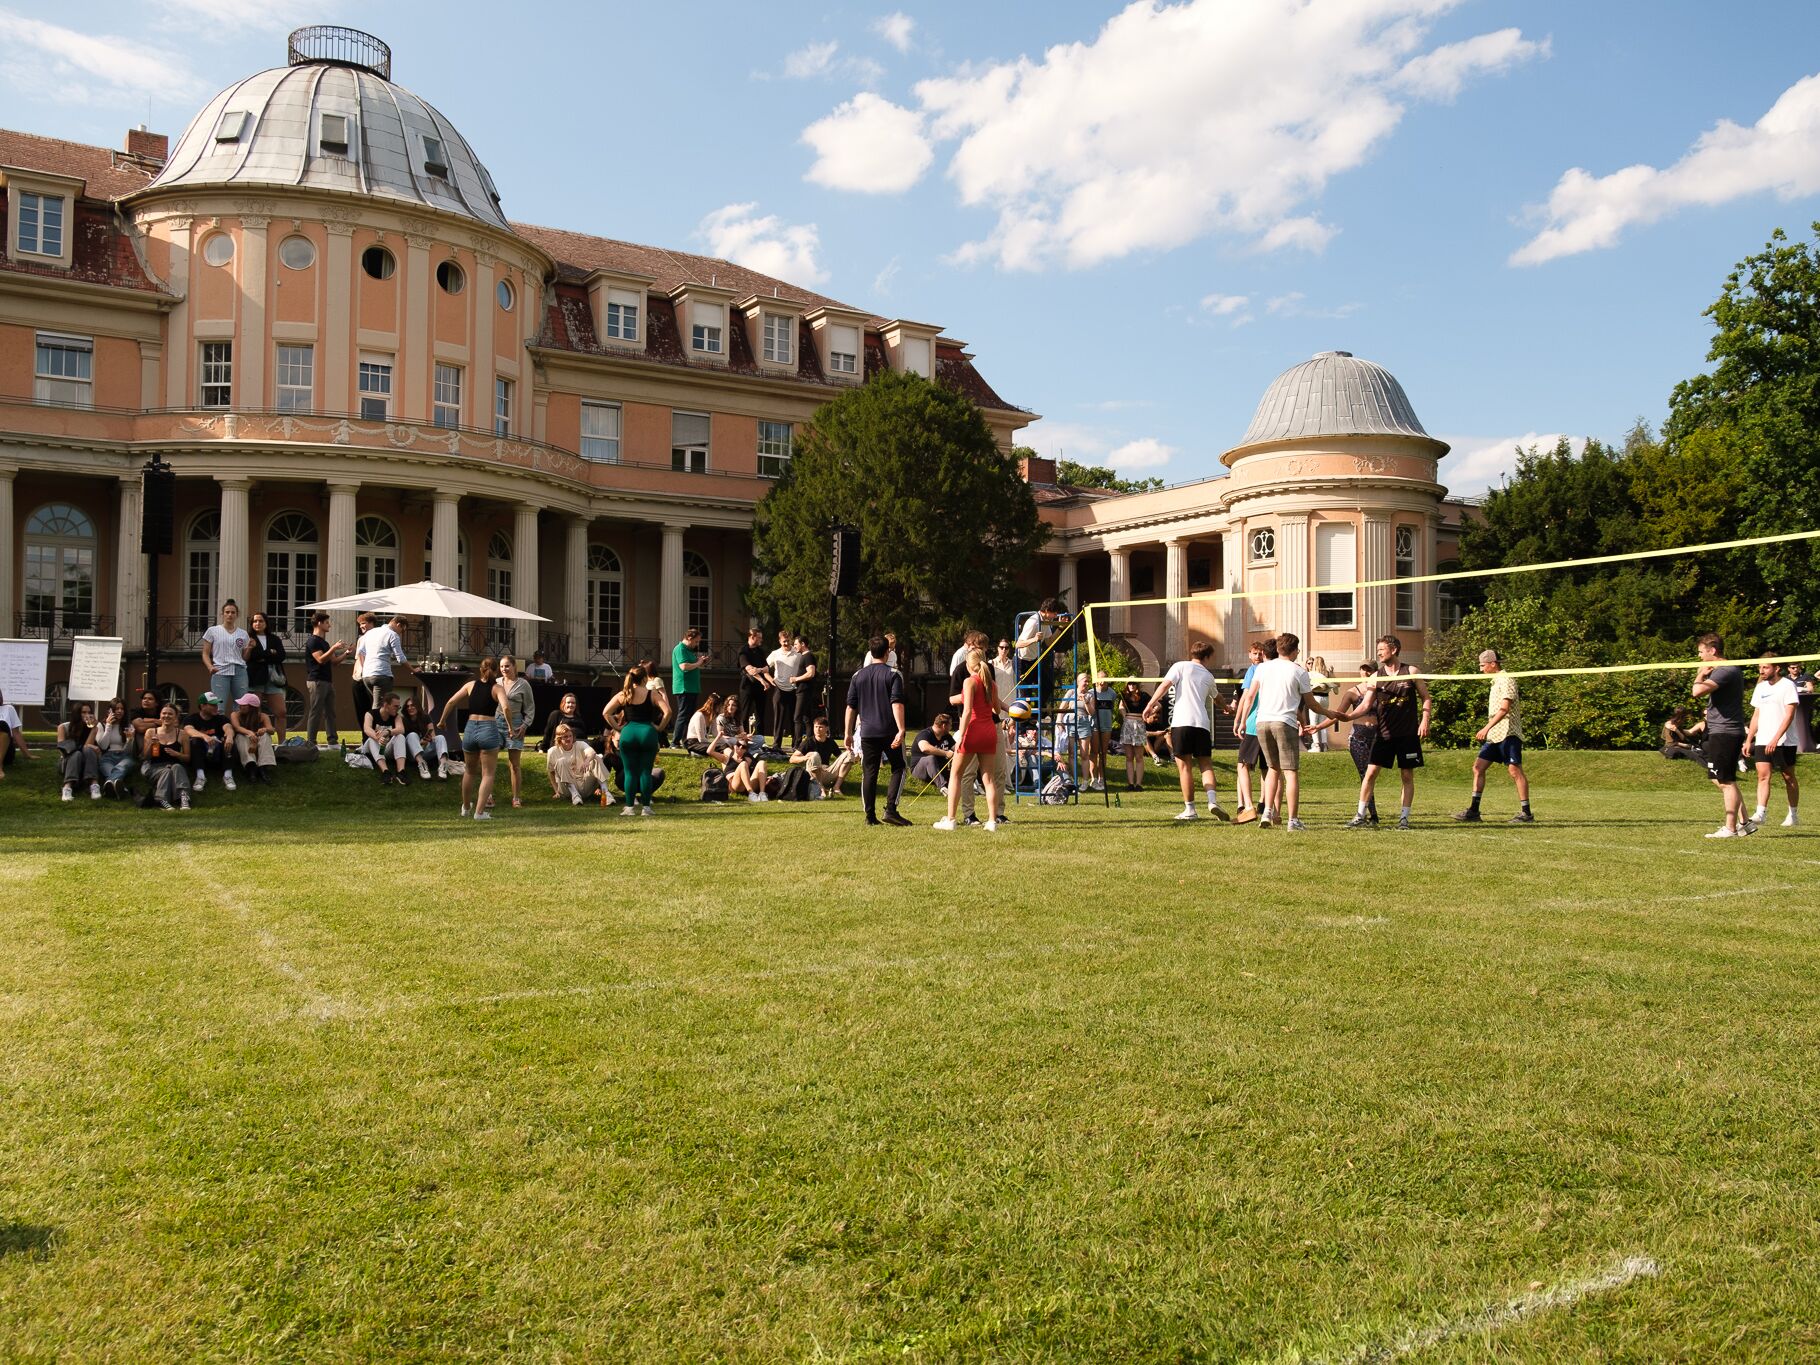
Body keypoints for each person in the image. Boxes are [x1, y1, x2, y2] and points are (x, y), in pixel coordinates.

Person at [1338, 634, 1432, 831]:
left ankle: (1404, 819)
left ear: (1394, 649)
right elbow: (1366, 704)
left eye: (1382, 649)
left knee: (1407, 775)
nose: (1379, 653)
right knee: (1370, 773)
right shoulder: (1376, 677)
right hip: (1384, 735)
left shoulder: (1411, 671)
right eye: (1378, 650)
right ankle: (1360, 816)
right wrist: (1348, 716)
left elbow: (1426, 697)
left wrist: (1425, 720)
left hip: (1407, 735)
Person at [1248, 632, 1334, 830]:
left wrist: (1241, 719)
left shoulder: (1263, 668)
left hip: (1262, 722)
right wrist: (1330, 713)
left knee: (1272, 768)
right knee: (1290, 772)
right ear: (1295, 650)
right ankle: (1293, 820)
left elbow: (1251, 695)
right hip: (1284, 722)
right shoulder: (1299, 672)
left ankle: (1267, 812)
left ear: (1278, 649)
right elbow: (1311, 704)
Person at [1143, 640, 1231, 822]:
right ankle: (1212, 801)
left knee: (1185, 768)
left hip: (1182, 723)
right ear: (1207, 656)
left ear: (1192, 653)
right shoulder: (1208, 675)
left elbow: (1165, 685)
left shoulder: (1180, 666)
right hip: (1202, 724)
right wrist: (1228, 708)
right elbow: (1218, 698)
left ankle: (1190, 809)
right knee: (1206, 765)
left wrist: (1150, 704)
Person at [1454, 649, 1532, 824]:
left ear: (1493, 663)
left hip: (1508, 733)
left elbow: (1504, 709)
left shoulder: (1506, 679)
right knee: (1478, 767)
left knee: (1514, 770)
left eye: (1483, 665)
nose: (1481, 669)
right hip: (1495, 735)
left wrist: (1486, 728)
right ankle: (1474, 811)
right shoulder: (1495, 681)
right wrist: (1490, 730)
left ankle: (1526, 813)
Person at [844, 635, 910, 826]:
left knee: (869, 772)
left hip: (867, 732)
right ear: (888, 652)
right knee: (899, 767)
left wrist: (848, 733)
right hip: (889, 731)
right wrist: (901, 729)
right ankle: (891, 809)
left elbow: (850, 707)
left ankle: (869, 816)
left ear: (870, 652)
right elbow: (896, 703)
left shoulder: (858, 676)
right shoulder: (894, 674)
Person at [934, 648, 1004, 831]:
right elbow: (997, 710)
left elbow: (966, 712)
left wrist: (961, 735)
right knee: (988, 778)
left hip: (973, 731)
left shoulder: (969, 681)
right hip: (989, 731)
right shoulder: (991, 684)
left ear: (968, 664)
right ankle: (992, 821)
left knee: (956, 774)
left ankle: (950, 819)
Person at [1691, 633, 1751, 838]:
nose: (1699, 656)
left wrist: (1700, 675)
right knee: (1720, 778)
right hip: (1720, 730)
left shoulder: (1725, 670)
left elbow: (1697, 691)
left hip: (1725, 731)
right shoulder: (1724, 670)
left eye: (1701, 652)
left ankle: (1731, 828)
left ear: (1712, 650)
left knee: (1725, 780)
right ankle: (1745, 822)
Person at [1308, 663, 1382, 824]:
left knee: (1372, 775)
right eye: (1363, 669)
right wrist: (1318, 726)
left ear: (1376, 672)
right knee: (1365, 775)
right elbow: (1338, 714)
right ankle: (1372, 815)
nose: (1366, 672)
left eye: (1369, 670)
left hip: (1379, 736)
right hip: (1359, 737)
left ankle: (1370, 815)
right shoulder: (1352, 692)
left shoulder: (1381, 690)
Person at [439, 656, 506, 821]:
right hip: (488, 729)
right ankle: (479, 812)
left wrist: (442, 721)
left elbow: (451, 702)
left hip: (470, 729)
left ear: (481, 670)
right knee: (488, 774)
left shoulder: (470, 685)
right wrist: (511, 727)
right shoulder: (497, 688)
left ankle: (466, 808)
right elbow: (506, 708)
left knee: (469, 771)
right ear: (496, 672)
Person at [604, 664, 671, 816]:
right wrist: (659, 727)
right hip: (647, 732)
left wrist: (618, 727)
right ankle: (646, 808)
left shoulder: (624, 694)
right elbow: (668, 711)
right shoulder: (652, 694)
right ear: (645, 678)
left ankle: (629, 808)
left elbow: (606, 712)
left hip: (628, 733)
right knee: (645, 772)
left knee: (630, 773)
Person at [1744, 653, 1800, 828]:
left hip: (1784, 741)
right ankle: (1760, 813)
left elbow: (1789, 716)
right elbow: (1756, 715)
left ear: (1776, 668)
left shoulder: (1788, 686)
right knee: (1762, 776)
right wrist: (1748, 739)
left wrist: (1776, 739)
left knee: (1788, 776)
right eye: (1760, 667)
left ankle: (1793, 814)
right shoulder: (1760, 688)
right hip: (1763, 739)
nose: (1761, 671)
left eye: (1765, 667)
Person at [1231, 639, 1272, 824]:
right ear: (1250, 654)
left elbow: (1247, 697)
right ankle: (1266, 806)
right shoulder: (1273, 670)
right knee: (1268, 768)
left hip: (1254, 724)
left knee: (1243, 765)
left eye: (1260, 653)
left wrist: (1239, 720)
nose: (1258, 656)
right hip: (1270, 722)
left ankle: (1248, 806)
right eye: (1255, 653)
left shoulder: (1255, 670)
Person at [303, 612, 349, 747]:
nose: (330, 625)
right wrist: (334, 647)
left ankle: (332, 741)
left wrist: (346, 653)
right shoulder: (313, 641)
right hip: (316, 680)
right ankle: (311, 742)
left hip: (327, 681)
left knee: (330, 712)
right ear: (319, 623)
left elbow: (334, 662)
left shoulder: (325, 643)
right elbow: (320, 660)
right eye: (327, 622)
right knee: (316, 711)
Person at [497, 654, 536, 808]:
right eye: (501, 666)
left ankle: (516, 798)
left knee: (514, 764)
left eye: (507, 666)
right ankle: (488, 796)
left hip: (516, 724)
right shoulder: (496, 682)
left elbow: (530, 708)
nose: (504, 669)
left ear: (514, 667)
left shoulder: (523, 684)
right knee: (489, 761)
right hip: (496, 722)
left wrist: (525, 725)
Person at [138, 702, 192, 811]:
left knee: (177, 767)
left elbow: (187, 758)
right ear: (160, 715)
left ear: (176, 717)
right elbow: (145, 757)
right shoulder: (151, 732)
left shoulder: (182, 734)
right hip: (154, 766)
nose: (166, 716)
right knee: (166, 771)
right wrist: (151, 744)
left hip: (174, 766)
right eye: (164, 713)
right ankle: (161, 800)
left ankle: (184, 798)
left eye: (170, 714)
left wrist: (177, 754)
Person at [244, 610, 289, 740]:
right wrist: (270, 652)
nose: (258, 623)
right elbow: (251, 657)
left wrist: (263, 656)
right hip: (255, 677)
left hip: (273, 678)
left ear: (266, 623)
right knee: (255, 712)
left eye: (261, 621)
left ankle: (282, 744)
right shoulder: (248, 638)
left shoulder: (274, 638)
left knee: (281, 712)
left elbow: (281, 656)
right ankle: (256, 741)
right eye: (255, 621)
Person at [547, 722, 613, 805]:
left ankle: (605, 793)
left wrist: (587, 761)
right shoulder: (552, 751)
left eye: (570, 736)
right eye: (565, 737)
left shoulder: (580, 744)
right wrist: (556, 791)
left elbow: (592, 752)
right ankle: (575, 795)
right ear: (559, 738)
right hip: (567, 789)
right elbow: (551, 772)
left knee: (595, 758)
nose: (569, 738)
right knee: (561, 761)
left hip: (584, 783)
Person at [200, 599, 250, 704]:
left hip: (239, 671)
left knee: (241, 705)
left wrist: (250, 648)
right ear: (222, 614)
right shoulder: (213, 631)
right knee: (219, 705)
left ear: (237, 615)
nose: (230, 615)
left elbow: (244, 657)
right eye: (227, 612)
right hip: (220, 670)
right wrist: (210, 667)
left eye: (233, 612)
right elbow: (205, 653)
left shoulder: (243, 633)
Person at [183, 692, 234, 794]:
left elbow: (228, 728)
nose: (216, 707)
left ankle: (228, 775)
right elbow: (189, 730)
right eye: (213, 705)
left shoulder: (221, 718)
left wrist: (229, 736)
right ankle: (200, 776)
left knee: (229, 741)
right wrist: (205, 736)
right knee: (195, 740)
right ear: (202, 706)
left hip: (219, 754)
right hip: (201, 754)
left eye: (216, 704)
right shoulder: (191, 718)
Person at [358, 612, 410, 710]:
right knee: (380, 707)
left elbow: (361, 652)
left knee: (377, 704)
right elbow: (400, 658)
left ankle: (376, 720)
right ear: (398, 624)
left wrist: (364, 668)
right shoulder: (393, 635)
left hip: (366, 676)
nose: (401, 633)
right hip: (382, 675)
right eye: (402, 630)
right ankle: (373, 720)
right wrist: (413, 669)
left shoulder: (370, 632)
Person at [1014, 597, 1063, 703]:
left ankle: (1037, 710)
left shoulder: (1046, 622)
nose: (1055, 616)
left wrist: (1060, 628)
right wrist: (1034, 639)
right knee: (1026, 697)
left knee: (1048, 686)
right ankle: (1027, 713)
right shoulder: (1034, 622)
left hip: (1034, 661)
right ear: (1047, 611)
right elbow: (1018, 644)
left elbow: (1049, 642)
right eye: (1054, 613)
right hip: (1022, 662)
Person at [790, 715, 854, 796]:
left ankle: (836, 787)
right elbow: (792, 759)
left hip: (827, 773)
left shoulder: (830, 742)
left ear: (826, 728)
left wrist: (853, 757)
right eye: (816, 727)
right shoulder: (808, 742)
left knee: (849, 754)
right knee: (815, 755)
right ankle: (820, 788)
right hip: (812, 774)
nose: (817, 729)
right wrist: (806, 757)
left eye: (820, 727)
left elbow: (841, 757)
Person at [228, 692, 279, 785]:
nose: (240, 706)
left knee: (266, 736)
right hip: (244, 741)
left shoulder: (263, 716)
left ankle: (263, 767)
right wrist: (250, 733)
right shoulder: (235, 715)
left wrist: (265, 729)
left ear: (252, 707)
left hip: (257, 740)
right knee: (240, 736)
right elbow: (237, 728)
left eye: (244, 705)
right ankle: (251, 767)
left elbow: (271, 730)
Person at [90, 698, 137, 799]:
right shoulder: (101, 725)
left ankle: (109, 787)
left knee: (120, 768)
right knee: (114, 772)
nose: (119, 711)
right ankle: (121, 789)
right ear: (110, 710)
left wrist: (129, 740)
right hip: (107, 757)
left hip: (124, 757)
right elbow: (103, 746)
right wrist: (108, 726)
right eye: (116, 708)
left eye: (122, 709)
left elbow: (128, 751)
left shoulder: (129, 726)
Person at [765, 628, 803, 750]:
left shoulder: (798, 653)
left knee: (794, 718)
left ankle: (795, 745)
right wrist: (770, 679)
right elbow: (764, 668)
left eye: (788, 641)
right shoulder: (775, 653)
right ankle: (776, 745)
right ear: (779, 641)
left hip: (794, 689)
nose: (786, 643)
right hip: (779, 689)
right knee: (778, 719)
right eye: (783, 641)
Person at [57, 700, 102, 801]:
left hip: (86, 763)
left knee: (89, 750)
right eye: (83, 712)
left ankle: (94, 785)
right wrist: (87, 747)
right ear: (77, 714)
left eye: (89, 712)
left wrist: (94, 730)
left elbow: (87, 747)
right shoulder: (63, 727)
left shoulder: (92, 727)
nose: (87, 715)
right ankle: (67, 787)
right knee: (76, 753)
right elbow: (62, 750)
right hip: (67, 762)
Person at [399, 694, 450, 780]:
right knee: (412, 735)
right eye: (408, 706)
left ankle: (443, 766)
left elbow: (433, 736)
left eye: (412, 705)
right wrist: (420, 742)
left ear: (418, 706)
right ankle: (422, 765)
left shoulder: (426, 717)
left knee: (440, 737)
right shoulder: (403, 720)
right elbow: (402, 742)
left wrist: (429, 740)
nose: (410, 708)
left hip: (425, 750)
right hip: (411, 754)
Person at [363, 691, 410, 786]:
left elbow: (401, 729)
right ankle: (385, 772)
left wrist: (388, 732)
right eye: (395, 706)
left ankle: (401, 772)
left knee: (400, 736)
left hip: (385, 748)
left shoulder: (396, 716)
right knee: (372, 739)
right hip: (370, 748)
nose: (398, 709)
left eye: (399, 707)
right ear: (386, 705)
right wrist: (378, 738)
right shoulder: (371, 714)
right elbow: (367, 729)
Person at [669, 627, 705, 747]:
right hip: (684, 687)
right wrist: (698, 663)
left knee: (689, 716)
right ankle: (675, 742)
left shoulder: (689, 651)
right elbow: (684, 666)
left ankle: (685, 741)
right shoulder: (680, 649)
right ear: (689, 638)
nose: (697, 644)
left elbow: (693, 665)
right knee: (683, 715)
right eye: (696, 641)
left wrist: (700, 662)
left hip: (692, 687)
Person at [911, 713, 956, 792]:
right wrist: (946, 753)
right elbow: (925, 748)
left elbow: (956, 748)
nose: (951, 727)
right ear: (944, 725)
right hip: (920, 771)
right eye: (950, 725)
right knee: (930, 758)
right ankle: (943, 787)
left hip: (939, 770)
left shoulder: (947, 736)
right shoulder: (925, 734)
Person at [738, 626, 771, 733]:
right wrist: (762, 680)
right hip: (747, 685)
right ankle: (743, 736)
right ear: (752, 637)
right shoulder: (743, 650)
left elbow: (767, 668)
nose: (761, 640)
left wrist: (759, 670)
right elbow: (749, 670)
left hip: (760, 687)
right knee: (745, 712)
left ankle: (760, 738)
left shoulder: (760, 651)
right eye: (759, 637)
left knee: (760, 713)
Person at [790, 631, 820, 748]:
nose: (794, 646)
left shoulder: (808, 656)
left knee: (797, 717)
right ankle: (810, 744)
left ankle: (798, 745)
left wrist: (796, 679)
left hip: (804, 691)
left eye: (796, 644)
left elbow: (811, 673)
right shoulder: (805, 656)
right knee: (807, 718)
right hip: (803, 691)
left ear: (803, 644)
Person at [1118, 681, 1150, 790]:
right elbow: (1121, 707)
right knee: (1129, 757)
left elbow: (1157, 705)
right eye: (1129, 684)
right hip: (1128, 723)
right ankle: (1130, 783)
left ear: (1137, 685)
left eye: (1134, 683)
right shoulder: (1124, 695)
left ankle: (1139, 784)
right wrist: (1124, 716)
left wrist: (1147, 714)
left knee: (1139, 756)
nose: (1131, 685)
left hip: (1139, 723)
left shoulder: (1144, 695)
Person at [723, 731, 771, 803]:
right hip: (736, 786)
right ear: (734, 745)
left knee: (762, 762)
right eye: (738, 745)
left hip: (748, 783)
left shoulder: (748, 758)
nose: (740, 747)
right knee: (743, 764)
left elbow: (758, 770)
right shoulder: (728, 756)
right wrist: (718, 736)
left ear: (745, 749)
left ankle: (762, 793)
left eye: (744, 747)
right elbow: (710, 751)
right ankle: (751, 793)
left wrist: (766, 777)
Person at [540, 693, 585, 757]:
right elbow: (548, 732)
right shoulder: (556, 715)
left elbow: (584, 734)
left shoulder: (579, 717)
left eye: (573, 703)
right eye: (568, 702)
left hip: (579, 746)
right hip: (562, 746)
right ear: (563, 703)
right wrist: (542, 748)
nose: (571, 705)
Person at [1304, 655, 1332, 752]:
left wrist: (1312, 688)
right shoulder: (1326, 673)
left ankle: (1316, 746)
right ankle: (1324, 745)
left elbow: (1321, 686)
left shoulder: (1311, 674)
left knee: (1314, 722)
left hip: (1316, 698)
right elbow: (1335, 685)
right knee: (1322, 723)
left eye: (1312, 663)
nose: (1310, 665)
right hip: (1326, 699)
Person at [0, 683, 25, 778]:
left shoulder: (8, 709)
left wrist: (27, 754)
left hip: (6, 752)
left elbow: (16, 733)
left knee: (2, 724)